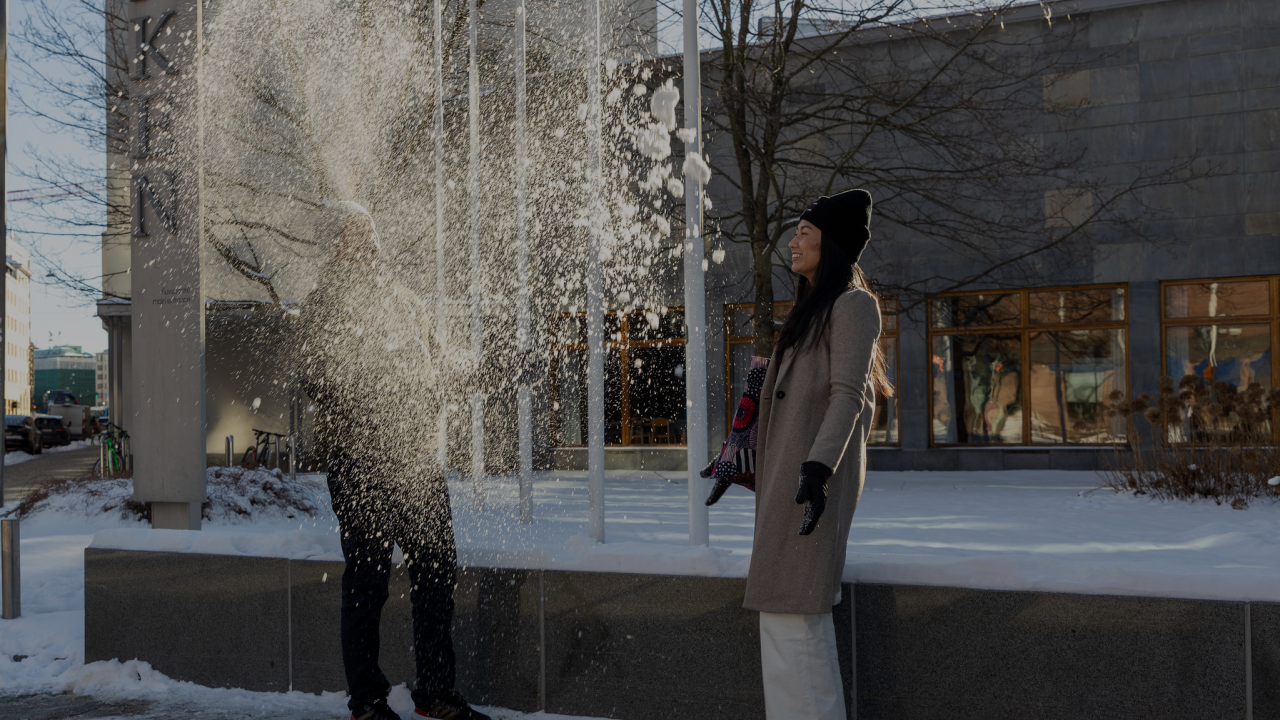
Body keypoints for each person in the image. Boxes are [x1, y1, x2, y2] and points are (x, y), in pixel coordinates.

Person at [296, 201, 491, 720]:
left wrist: (481, 371)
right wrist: (374, 388)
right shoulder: (323, 305)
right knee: (367, 579)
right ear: (334, 244)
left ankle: (435, 691)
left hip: (415, 459)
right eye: (355, 234)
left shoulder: (404, 301)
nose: (368, 241)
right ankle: (367, 701)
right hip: (360, 462)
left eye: (370, 232)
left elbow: (438, 365)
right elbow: (314, 377)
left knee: (438, 569)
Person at [712, 188, 893, 720]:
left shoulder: (853, 305)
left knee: (798, 624)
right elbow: (775, 396)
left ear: (831, 244)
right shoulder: (809, 310)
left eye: (804, 234)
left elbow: (849, 394)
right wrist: (736, 454)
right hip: (786, 484)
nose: (792, 243)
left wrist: (818, 468)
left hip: (812, 483)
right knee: (781, 621)